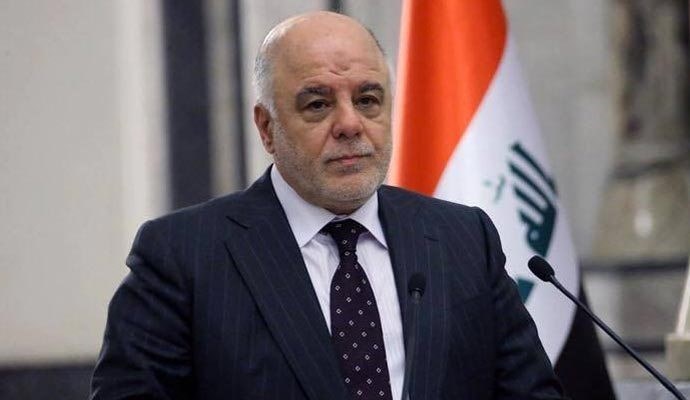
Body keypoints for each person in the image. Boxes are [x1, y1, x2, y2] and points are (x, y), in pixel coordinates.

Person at [91, 11, 565, 400]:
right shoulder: (183, 256)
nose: (350, 124)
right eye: (318, 104)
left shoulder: (464, 238)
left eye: (368, 100)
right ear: (267, 128)